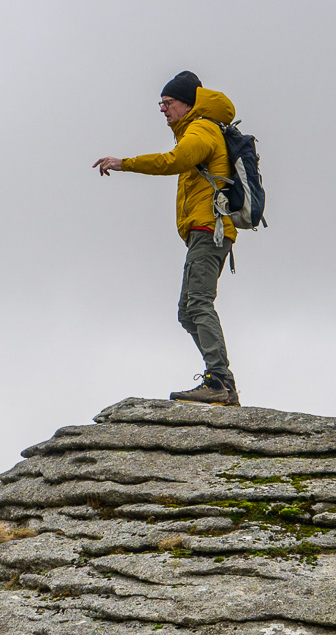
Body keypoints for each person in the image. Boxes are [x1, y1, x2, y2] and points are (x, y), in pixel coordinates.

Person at [94, 70, 241, 407]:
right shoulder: (194, 129)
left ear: (187, 104)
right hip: (202, 232)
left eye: (168, 102)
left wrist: (124, 163)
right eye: (160, 103)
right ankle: (222, 381)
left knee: (198, 304)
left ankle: (219, 381)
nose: (162, 109)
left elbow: (173, 161)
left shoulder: (202, 130)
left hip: (210, 230)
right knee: (187, 312)